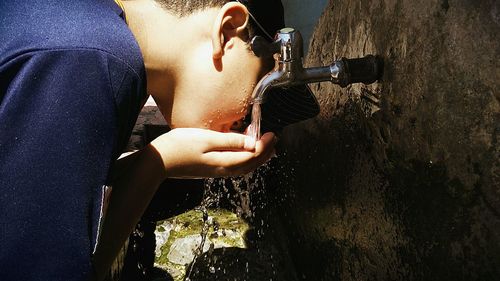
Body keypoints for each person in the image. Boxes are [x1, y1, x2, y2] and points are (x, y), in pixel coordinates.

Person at [0, 0, 319, 280]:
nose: (246, 126)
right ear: (227, 31)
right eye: (258, 97)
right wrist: (157, 163)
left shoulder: (86, 27)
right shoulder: (91, 59)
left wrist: (158, 162)